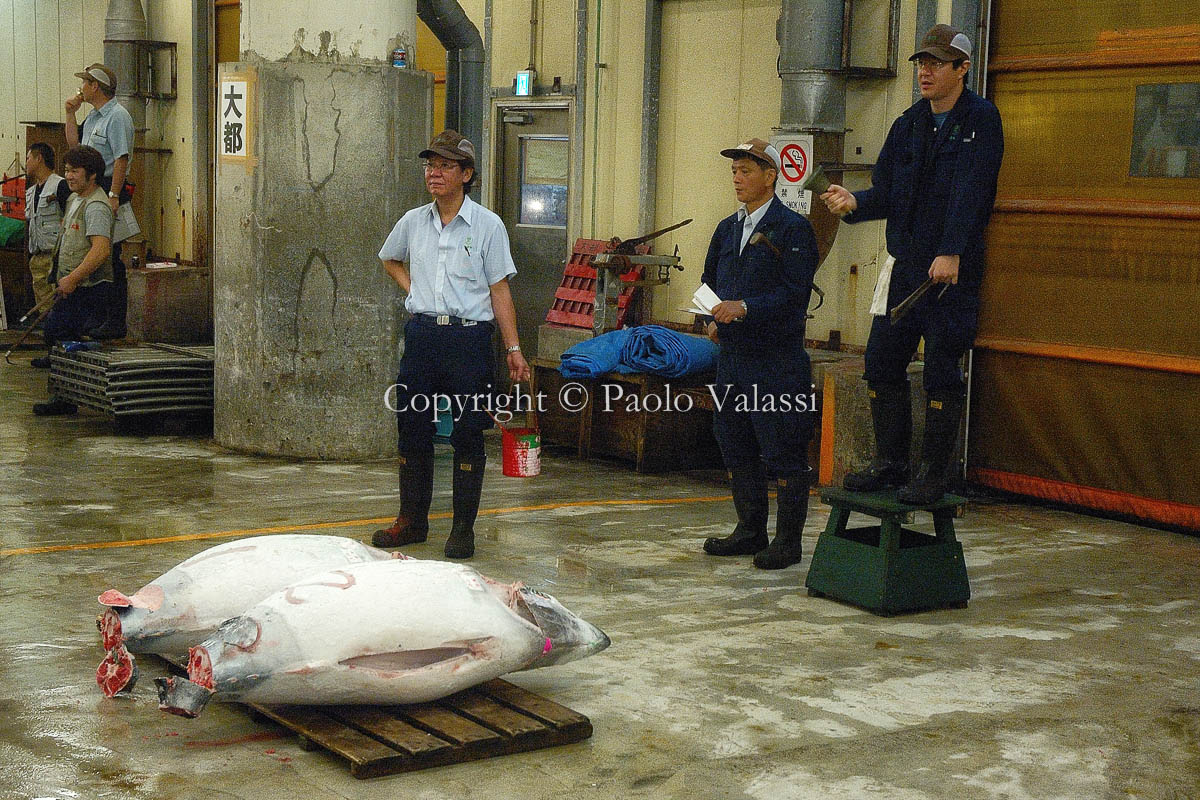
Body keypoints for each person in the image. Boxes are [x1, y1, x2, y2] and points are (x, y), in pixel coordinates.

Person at [821, 24, 1003, 505]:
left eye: (937, 64)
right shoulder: (908, 124)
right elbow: (888, 192)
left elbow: (974, 191)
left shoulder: (980, 120)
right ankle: (890, 464)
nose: (925, 71)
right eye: (921, 63)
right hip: (906, 267)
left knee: (943, 368)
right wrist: (853, 202)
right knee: (881, 363)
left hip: (952, 271)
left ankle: (933, 474)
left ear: (963, 69)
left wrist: (953, 250)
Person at [373, 129, 531, 559]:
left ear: (466, 174)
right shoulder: (413, 221)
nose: (434, 173)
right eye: (430, 165)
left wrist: (514, 349)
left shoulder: (487, 226)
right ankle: (412, 520)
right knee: (412, 426)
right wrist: (414, 290)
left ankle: (463, 528)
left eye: (444, 166)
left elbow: (499, 290)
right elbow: (390, 258)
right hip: (423, 336)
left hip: (469, 340)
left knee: (466, 431)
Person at [700, 138, 820, 570]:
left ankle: (788, 542)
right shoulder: (727, 229)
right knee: (735, 443)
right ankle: (750, 529)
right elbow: (709, 282)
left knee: (783, 449)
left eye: (746, 170)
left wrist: (746, 308)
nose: (737, 178)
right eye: (734, 171)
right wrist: (709, 318)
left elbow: (795, 293)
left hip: (776, 362)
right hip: (732, 360)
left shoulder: (794, 230)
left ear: (771, 177)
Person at [33, 146, 116, 416]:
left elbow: (101, 250)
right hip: (70, 284)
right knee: (55, 334)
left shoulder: (96, 205)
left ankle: (66, 398)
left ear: (92, 175)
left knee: (57, 332)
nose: (68, 176)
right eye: (66, 170)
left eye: (74, 171)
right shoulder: (74, 199)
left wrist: (73, 278)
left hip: (87, 288)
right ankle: (65, 395)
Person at [65, 63, 137, 339]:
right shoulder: (94, 117)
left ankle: (115, 320)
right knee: (90, 252)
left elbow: (121, 157)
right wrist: (70, 113)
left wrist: (114, 194)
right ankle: (95, 317)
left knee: (110, 256)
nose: (81, 87)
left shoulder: (117, 116)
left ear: (95, 86)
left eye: (85, 82)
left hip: (107, 186)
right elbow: (76, 150)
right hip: (92, 186)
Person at [24, 143, 71, 364]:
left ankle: (61, 353)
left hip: (56, 258)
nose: (26, 164)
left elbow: (70, 220)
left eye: (28, 158)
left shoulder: (60, 185)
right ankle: (51, 352)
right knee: (43, 308)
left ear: (39, 158)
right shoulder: (31, 191)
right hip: (38, 257)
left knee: (58, 307)